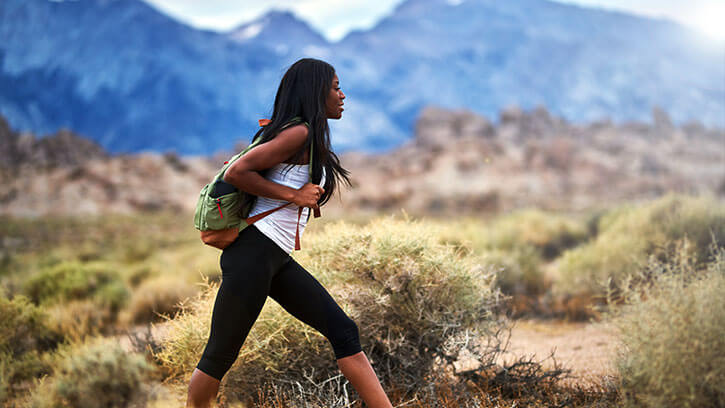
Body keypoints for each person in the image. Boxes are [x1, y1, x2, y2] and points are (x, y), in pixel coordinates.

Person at [186, 58, 393, 408]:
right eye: (335, 87)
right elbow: (238, 172)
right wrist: (295, 195)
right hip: (253, 255)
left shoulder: (304, 136)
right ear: (316, 92)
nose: (343, 95)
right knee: (218, 356)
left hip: (273, 258)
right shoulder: (299, 133)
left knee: (344, 332)